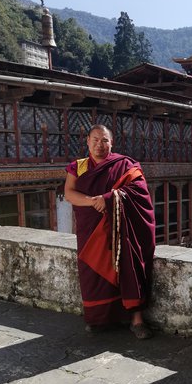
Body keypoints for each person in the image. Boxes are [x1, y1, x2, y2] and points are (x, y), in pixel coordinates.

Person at [64, 124, 155, 339]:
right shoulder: (78, 167)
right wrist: (92, 201)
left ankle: (136, 320)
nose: (100, 144)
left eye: (104, 140)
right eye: (95, 140)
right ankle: (100, 318)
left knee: (129, 267)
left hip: (122, 227)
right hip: (91, 229)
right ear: (87, 142)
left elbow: (139, 192)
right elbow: (69, 193)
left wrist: (107, 199)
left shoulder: (125, 164)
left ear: (111, 143)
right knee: (93, 273)